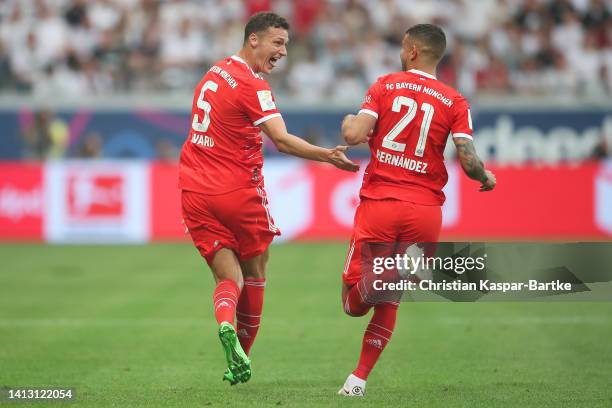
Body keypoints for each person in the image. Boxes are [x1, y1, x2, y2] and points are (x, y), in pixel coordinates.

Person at [178, 12, 358, 386]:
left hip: (194, 190)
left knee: (228, 277)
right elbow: (282, 139)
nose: (283, 52)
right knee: (256, 273)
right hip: (237, 190)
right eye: (277, 43)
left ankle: (225, 323)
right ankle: (240, 356)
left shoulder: (214, 72)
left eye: (286, 45)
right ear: (254, 40)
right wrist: (327, 155)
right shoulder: (252, 85)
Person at [338, 23, 496, 396]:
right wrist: (485, 176)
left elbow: (353, 135)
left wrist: (348, 122)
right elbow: (468, 159)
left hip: (382, 203)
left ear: (411, 51)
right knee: (390, 296)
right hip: (426, 212)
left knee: (352, 302)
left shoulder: (385, 85)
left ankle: (397, 267)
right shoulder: (455, 101)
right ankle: (357, 381)